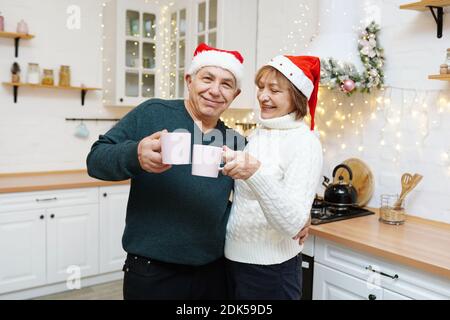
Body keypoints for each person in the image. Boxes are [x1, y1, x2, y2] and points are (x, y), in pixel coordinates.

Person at [86, 43, 247, 300]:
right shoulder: (154, 113)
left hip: (213, 272)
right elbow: (95, 160)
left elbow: (248, 199)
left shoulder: (236, 142)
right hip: (153, 272)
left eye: (226, 84)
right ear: (189, 80)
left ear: (235, 95)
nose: (215, 91)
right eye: (207, 78)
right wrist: (135, 154)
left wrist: (300, 213)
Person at [222, 55, 323, 300]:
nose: (262, 96)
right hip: (233, 262)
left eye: (274, 90)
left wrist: (254, 174)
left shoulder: (304, 142)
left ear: (297, 96)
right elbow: (247, 201)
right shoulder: (261, 133)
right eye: (261, 87)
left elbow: (292, 224)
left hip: (271, 271)